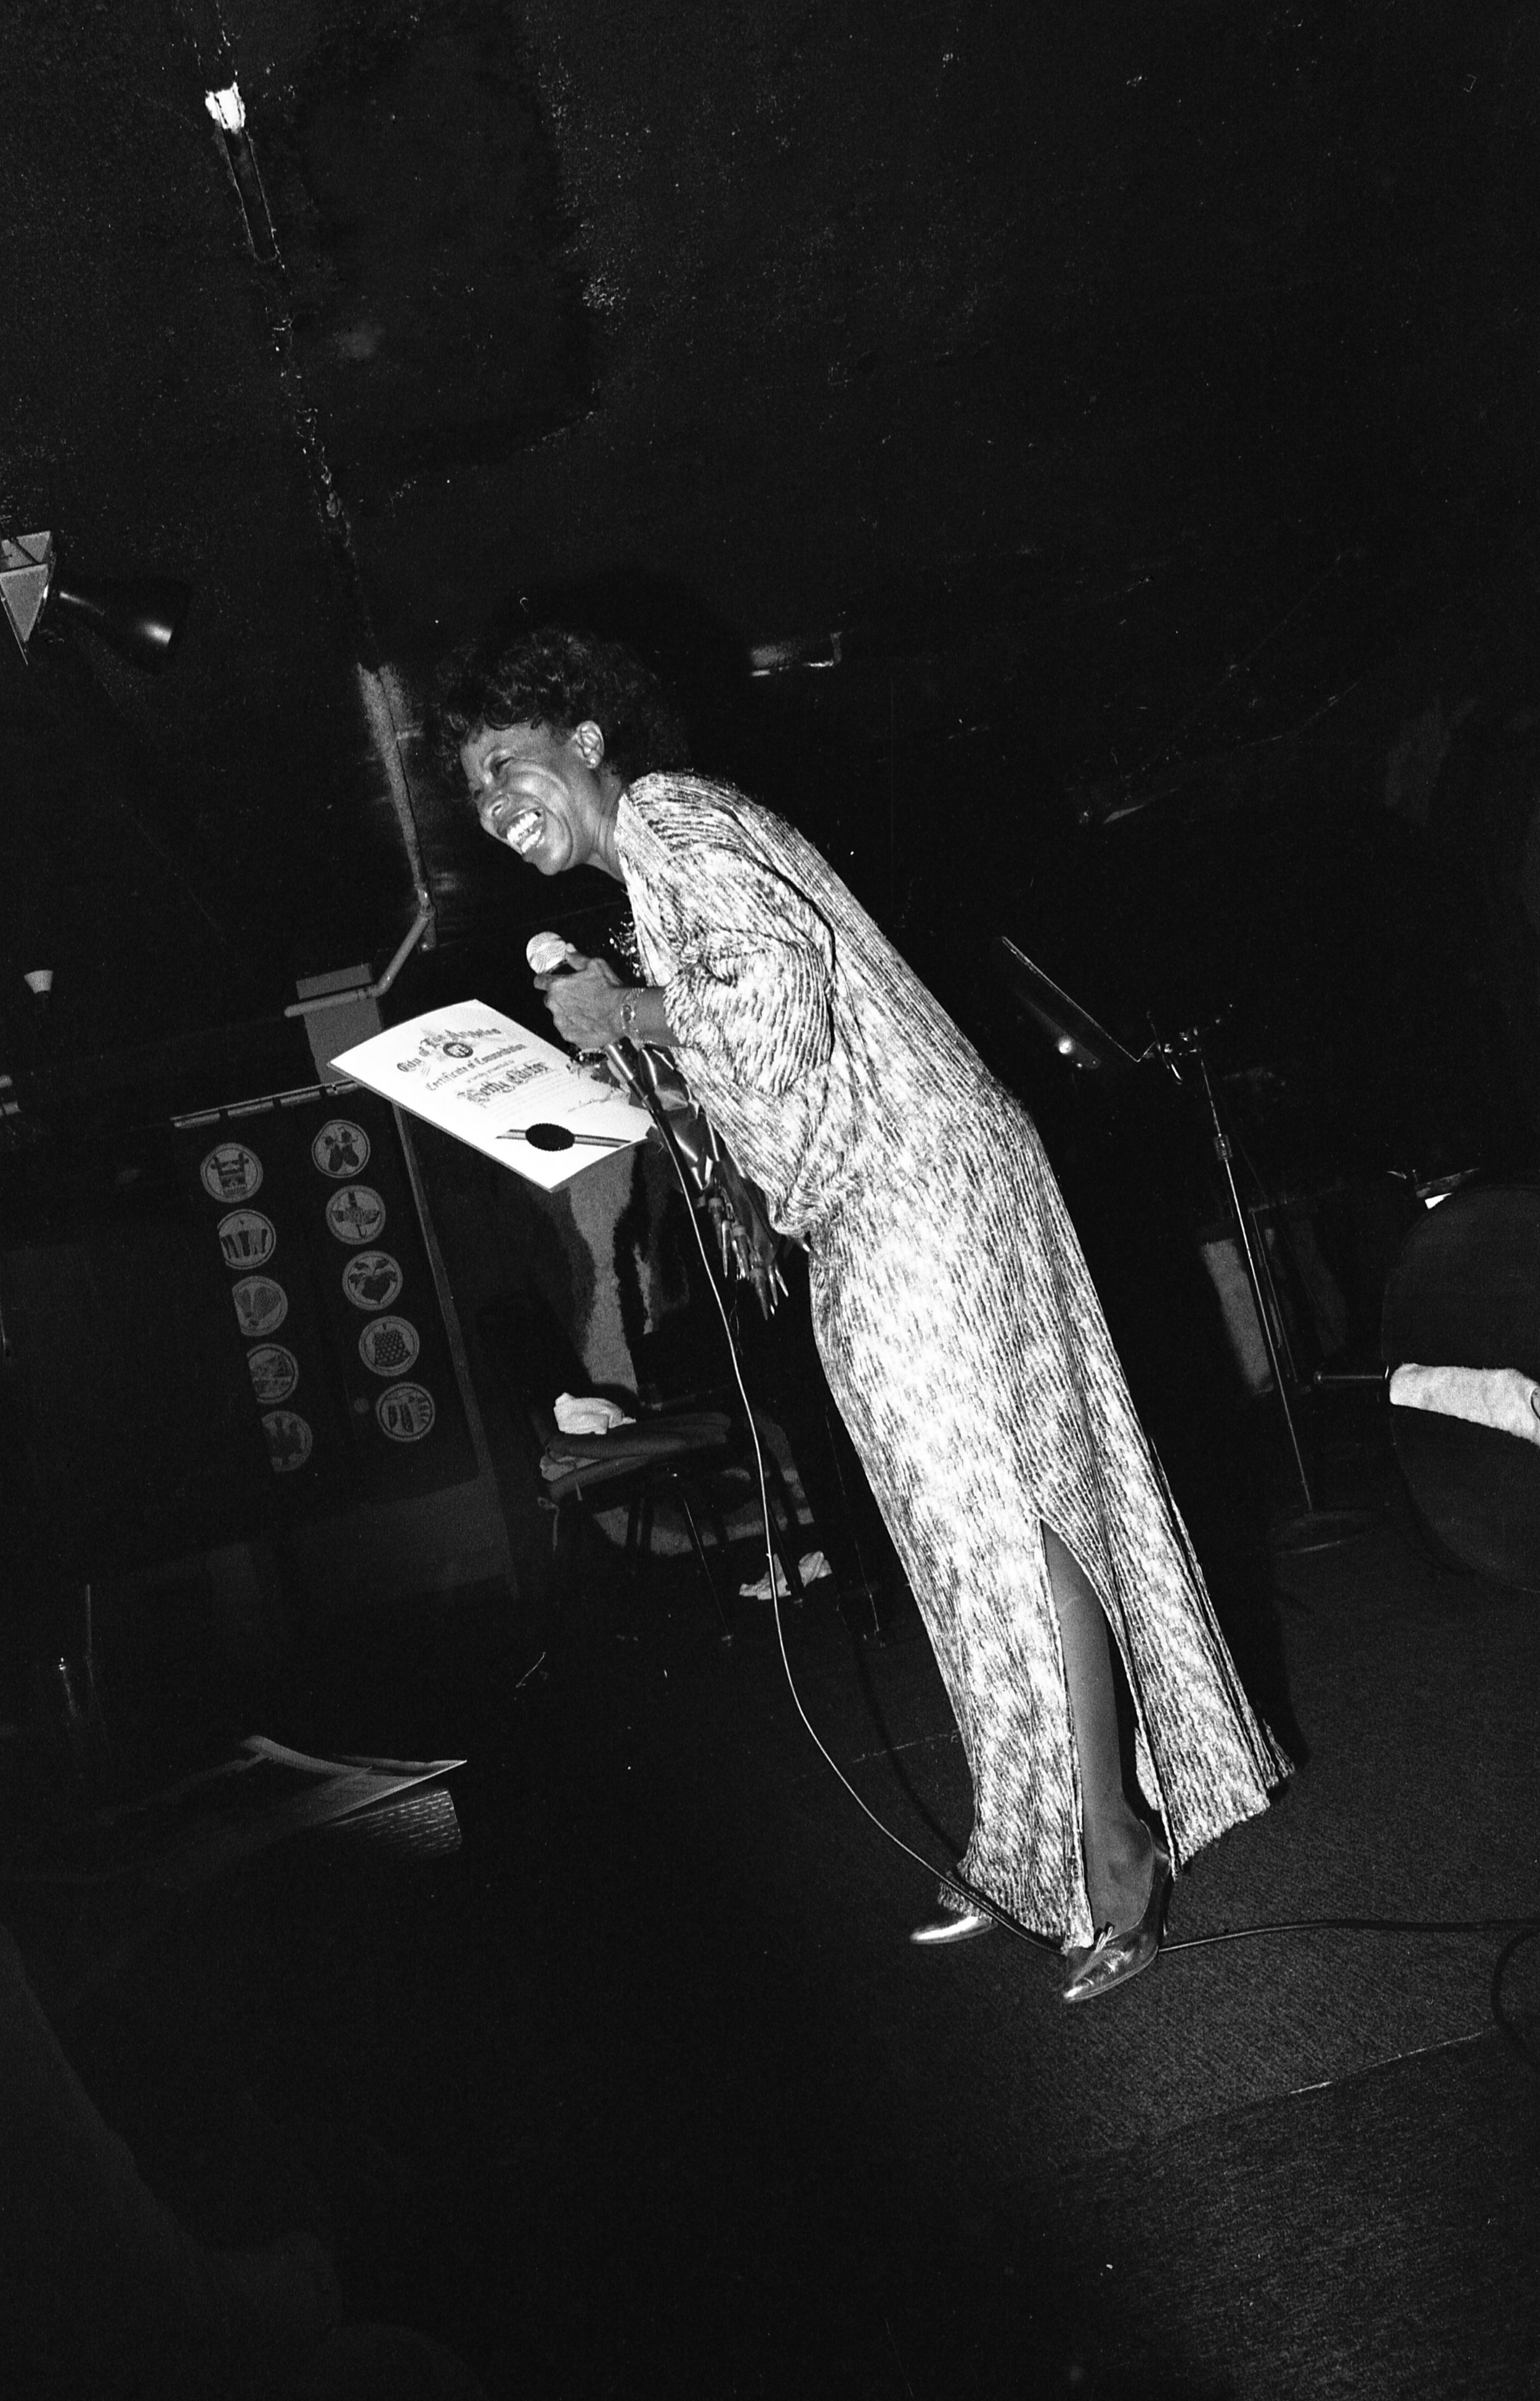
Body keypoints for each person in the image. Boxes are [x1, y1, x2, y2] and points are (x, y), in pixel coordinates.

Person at [431, 626, 1288, 2002]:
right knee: (977, 1512)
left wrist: (620, 1009)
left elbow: (764, 999)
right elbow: (764, 1044)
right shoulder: (661, 857)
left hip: (916, 1191)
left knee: (992, 1509)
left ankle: (1105, 1839)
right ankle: (1038, 1837)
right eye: (471, 790)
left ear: (587, 742)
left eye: (504, 761)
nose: (491, 804)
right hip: (891, 1195)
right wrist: (646, 1071)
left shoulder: (670, 813)